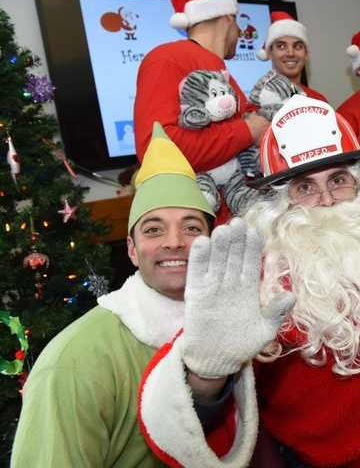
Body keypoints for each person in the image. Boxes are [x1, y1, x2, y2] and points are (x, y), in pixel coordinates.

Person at [138, 95, 360, 467]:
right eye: (305, 187)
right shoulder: (260, 275)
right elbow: (187, 414)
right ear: (281, 203)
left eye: (338, 180)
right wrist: (208, 372)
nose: (326, 201)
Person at [11, 124, 283, 466]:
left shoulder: (234, 328)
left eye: (191, 227)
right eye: (154, 229)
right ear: (132, 250)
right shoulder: (75, 361)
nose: (174, 242)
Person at [134, 0, 269, 178]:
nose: (239, 32)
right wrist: (248, 130)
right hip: (202, 205)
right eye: (237, 22)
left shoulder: (223, 73)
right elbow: (156, 150)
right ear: (229, 17)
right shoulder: (166, 59)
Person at [256, 11, 328, 102]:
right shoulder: (258, 102)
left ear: (306, 54)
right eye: (281, 46)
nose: (290, 53)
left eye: (297, 46)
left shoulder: (319, 100)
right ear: (270, 53)